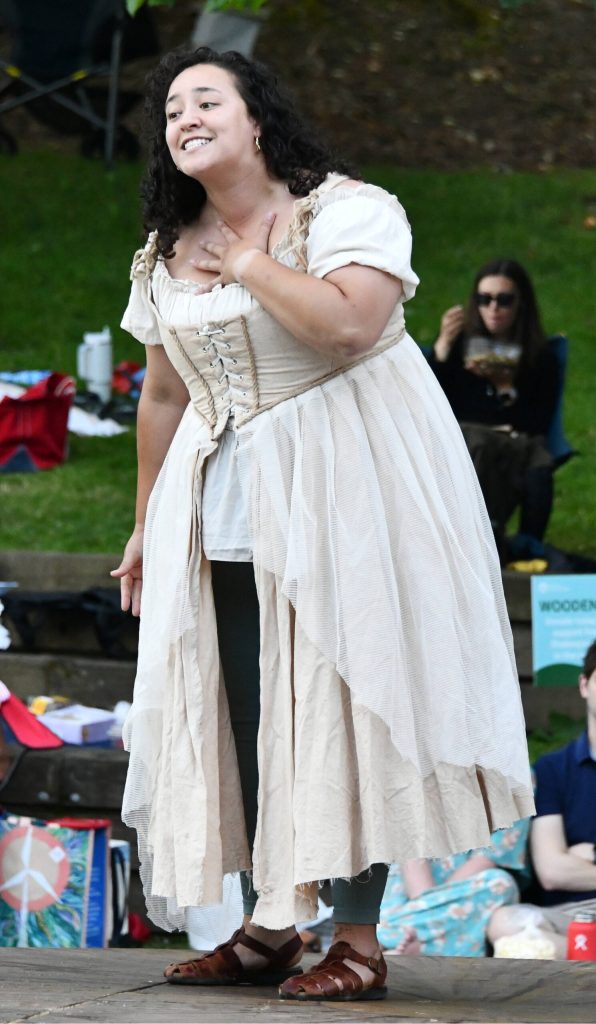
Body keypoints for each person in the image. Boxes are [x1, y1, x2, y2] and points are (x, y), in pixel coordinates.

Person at [112, 46, 534, 1002]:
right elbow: (165, 393)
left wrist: (248, 261)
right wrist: (144, 524)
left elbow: (350, 326)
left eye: (206, 100)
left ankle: (356, 939)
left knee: (345, 704)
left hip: (347, 491)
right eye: (171, 109)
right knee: (247, 707)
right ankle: (269, 925)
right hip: (219, 501)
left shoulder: (348, 211)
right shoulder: (166, 245)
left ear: (257, 119)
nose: (184, 117)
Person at [428, 259, 560, 562]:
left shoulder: (540, 357)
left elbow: (539, 422)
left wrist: (505, 387)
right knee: (479, 443)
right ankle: (477, 539)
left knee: (538, 458)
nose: (493, 308)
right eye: (484, 299)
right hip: (465, 439)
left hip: (517, 441)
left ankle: (526, 548)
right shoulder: (460, 346)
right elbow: (430, 403)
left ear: (521, 303)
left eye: (504, 300)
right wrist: (442, 347)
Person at [488, 640, 596, 959]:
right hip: (570, 916)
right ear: (584, 685)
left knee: (527, 950)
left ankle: (573, 959)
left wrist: (587, 855)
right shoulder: (552, 769)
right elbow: (551, 871)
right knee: (504, 922)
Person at [378, 819, 530, 958]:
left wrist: (428, 914)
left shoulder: (509, 797)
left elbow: (484, 860)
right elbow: (411, 855)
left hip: (459, 902)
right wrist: (428, 912)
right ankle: (421, 948)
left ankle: (384, 941)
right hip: (404, 894)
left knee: (499, 884)